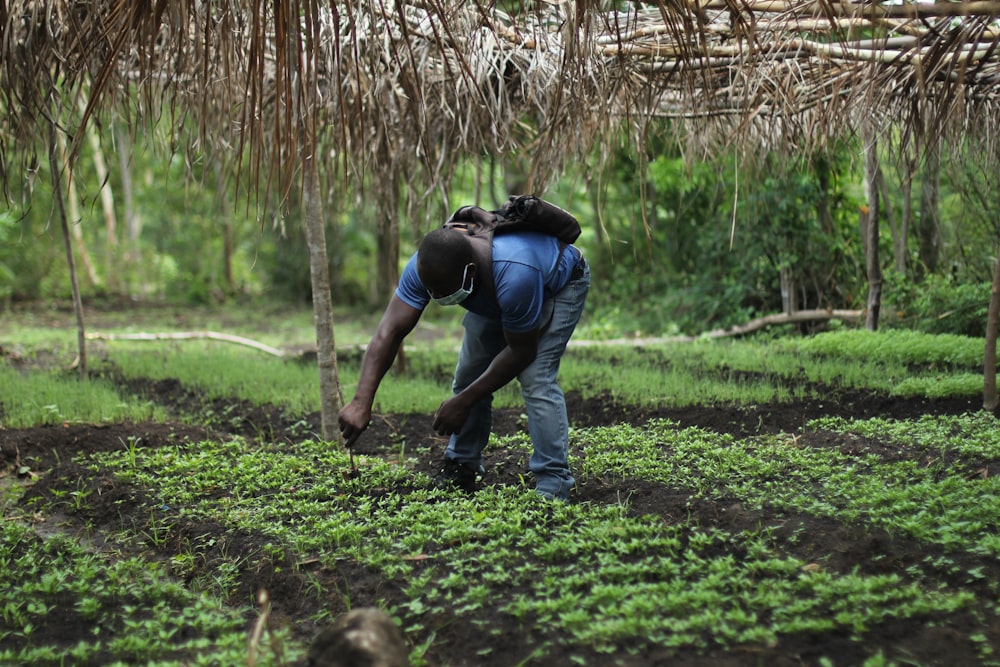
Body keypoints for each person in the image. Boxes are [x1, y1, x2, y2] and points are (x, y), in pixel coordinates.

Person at [337, 203, 590, 501]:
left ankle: (553, 480)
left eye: (445, 290)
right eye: (433, 292)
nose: (439, 297)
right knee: (469, 373)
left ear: (469, 271)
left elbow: (521, 352)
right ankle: (462, 466)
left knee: (536, 379)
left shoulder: (516, 273)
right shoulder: (426, 265)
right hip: (493, 293)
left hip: (557, 284)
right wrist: (360, 401)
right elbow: (388, 332)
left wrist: (464, 401)